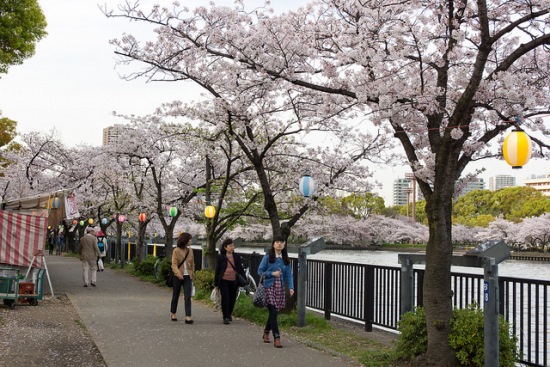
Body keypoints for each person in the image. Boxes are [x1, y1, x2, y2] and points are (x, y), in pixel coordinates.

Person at [258, 236, 295, 348]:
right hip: (268, 287)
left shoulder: (285, 259)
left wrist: (291, 287)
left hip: (279, 288)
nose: (279, 244)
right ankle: (277, 338)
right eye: (277, 242)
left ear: (284, 245)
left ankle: (266, 332)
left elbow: (289, 274)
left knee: (274, 313)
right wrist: (271, 274)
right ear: (273, 244)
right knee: (273, 311)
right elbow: (260, 271)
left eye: (281, 242)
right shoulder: (268, 257)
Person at [214, 238, 246, 325]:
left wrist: (244, 279)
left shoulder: (236, 256)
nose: (232, 247)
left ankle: (229, 313)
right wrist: (216, 283)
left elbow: (240, 269)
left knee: (232, 298)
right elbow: (217, 270)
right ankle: (225, 317)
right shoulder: (221, 257)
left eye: (233, 245)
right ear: (225, 247)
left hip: (234, 281)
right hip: (224, 280)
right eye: (230, 246)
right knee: (225, 298)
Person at [170, 232, 195, 324]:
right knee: (175, 295)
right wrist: (178, 274)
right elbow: (174, 264)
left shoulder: (190, 251)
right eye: (189, 239)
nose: (191, 241)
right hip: (178, 276)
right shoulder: (176, 250)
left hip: (188, 276)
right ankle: (173, 313)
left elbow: (192, 264)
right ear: (185, 240)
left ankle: (188, 316)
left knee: (187, 296)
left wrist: (192, 275)